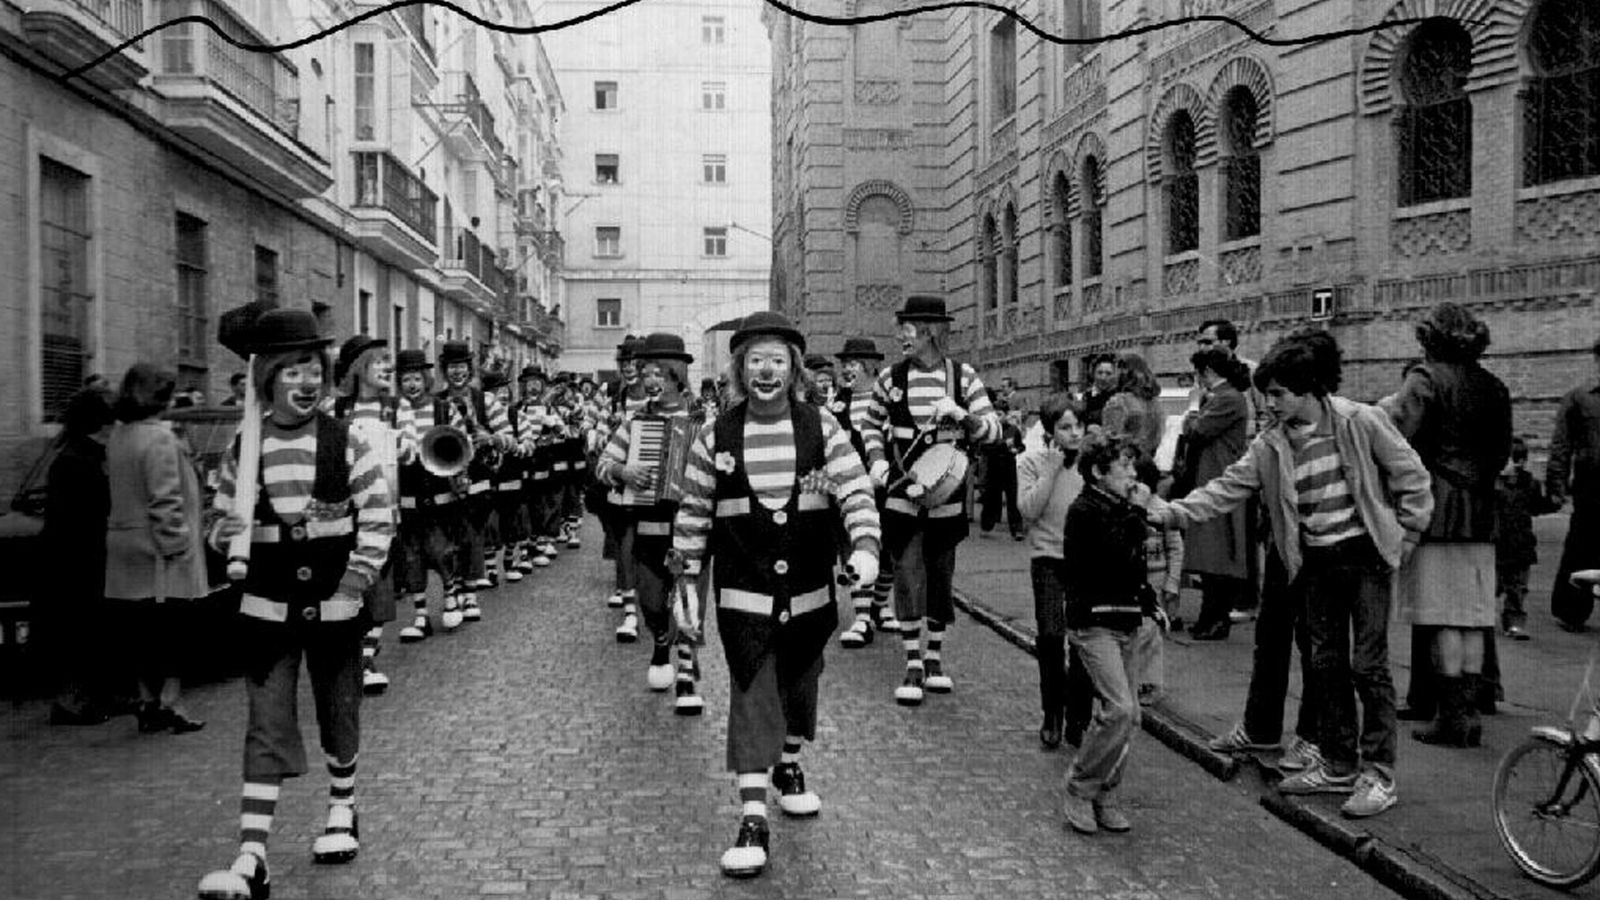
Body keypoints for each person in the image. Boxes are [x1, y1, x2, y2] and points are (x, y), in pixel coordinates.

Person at [1153, 328, 1432, 819]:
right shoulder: (1272, 445)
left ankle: (1380, 775)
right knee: (1326, 665)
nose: (1271, 404)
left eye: (1279, 394)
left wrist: (1405, 540)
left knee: (1369, 667)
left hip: (1365, 558)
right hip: (1315, 564)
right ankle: (1339, 763)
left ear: (1308, 389)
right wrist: (1172, 512)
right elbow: (1226, 488)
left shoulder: (1359, 422)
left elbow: (1413, 478)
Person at [668, 311, 881, 878]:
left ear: (792, 370)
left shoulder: (824, 427)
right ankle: (752, 816)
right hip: (744, 599)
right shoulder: (716, 435)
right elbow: (692, 514)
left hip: (811, 595)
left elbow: (856, 491)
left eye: (777, 361)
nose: (766, 371)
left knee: (798, 690)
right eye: (756, 360)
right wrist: (684, 583)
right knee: (754, 695)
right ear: (741, 368)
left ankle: (789, 766)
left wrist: (863, 547)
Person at [197, 307, 394, 900]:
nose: (306, 381)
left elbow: (378, 518)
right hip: (266, 608)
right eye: (291, 370)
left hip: (336, 605)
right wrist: (223, 528)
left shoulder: (348, 441)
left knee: (339, 707)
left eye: (313, 367)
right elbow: (214, 520)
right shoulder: (243, 447)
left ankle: (342, 808)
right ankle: (252, 855)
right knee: (266, 722)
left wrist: (356, 581)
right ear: (268, 379)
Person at [859, 294, 1000, 706]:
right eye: (903, 327)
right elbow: (870, 425)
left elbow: (992, 431)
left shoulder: (964, 377)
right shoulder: (890, 377)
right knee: (906, 571)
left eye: (910, 328)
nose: (902, 334)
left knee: (940, 574)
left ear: (932, 332)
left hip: (947, 495)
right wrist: (878, 462)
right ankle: (913, 661)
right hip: (902, 492)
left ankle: (936, 658)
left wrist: (963, 415)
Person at [1386, 302, 1512, 748]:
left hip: (1437, 508)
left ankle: (1451, 717)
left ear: (1429, 337)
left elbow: (1397, 433)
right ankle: (1468, 709)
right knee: (1472, 618)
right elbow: (1500, 452)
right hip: (1480, 511)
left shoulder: (1424, 379)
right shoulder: (1494, 386)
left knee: (1440, 617)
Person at [1059, 434, 1167, 835]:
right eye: (1125, 468)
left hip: (1126, 621)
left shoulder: (1122, 508)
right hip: (1093, 622)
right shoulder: (1085, 511)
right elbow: (1115, 553)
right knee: (1118, 708)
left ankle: (1107, 793)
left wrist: (1149, 599)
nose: (1133, 476)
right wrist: (1137, 514)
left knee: (1131, 716)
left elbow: (1133, 567)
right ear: (1099, 473)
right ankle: (1080, 786)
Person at [596, 333, 707, 713]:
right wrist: (623, 471)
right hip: (649, 525)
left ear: (677, 375)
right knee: (651, 600)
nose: (651, 380)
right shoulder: (636, 422)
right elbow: (603, 464)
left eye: (659, 372)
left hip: (691, 528)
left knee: (689, 601)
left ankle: (688, 675)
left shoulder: (704, 421)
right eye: (647, 373)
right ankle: (662, 640)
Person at [104, 363, 210, 735]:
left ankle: (147, 700)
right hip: (159, 553)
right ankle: (171, 704)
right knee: (172, 634)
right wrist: (179, 546)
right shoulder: (160, 438)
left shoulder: (120, 435)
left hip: (125, 548)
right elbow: (165, 500)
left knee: (140, 634)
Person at [43, 386, 124, 726]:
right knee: (77, 631)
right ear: (101, 422)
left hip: (91, 555)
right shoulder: (75, 460)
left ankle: (100, 695)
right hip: (77, 559)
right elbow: (82, 515)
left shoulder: (88, 454)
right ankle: (71, 702)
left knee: (96, 630)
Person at [333, 335, 405, 695]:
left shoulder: (395, 407)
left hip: (386, 510)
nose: (387, 368)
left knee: (380, 586)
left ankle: (365, 657)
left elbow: (408, 453)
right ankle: (354, 657)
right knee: (351, 584)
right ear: (360, 367)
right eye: (380, 361)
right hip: (345, 512)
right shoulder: (335, 409)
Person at [1016, 394, 1086, 748]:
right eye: (1065, 428)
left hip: (1084, 561)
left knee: (1083, 640)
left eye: (1078, 426)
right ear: (1050, 431)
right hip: (1048, 560)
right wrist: (1051, 469)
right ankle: (1052, 713)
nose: (1074, 434)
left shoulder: (1091, 463)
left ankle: (1078, 716)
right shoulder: (1031, 462)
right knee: (1050, 638)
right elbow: (1029, 510)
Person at [1177, 348, 1254, 641]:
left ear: (1207, 371)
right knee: (1211, 557)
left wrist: (1194, 409)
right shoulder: (1225, 397)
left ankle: (1216, 618)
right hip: (1213, 479)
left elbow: (1196, 431)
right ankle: (1208, 616)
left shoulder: (1228, 398)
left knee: (1218, 557)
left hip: (1221, 480)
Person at [435, 341, 515, 619]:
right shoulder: (437, 402)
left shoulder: (486, 400)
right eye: (452, 367)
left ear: (469, 369)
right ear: (445, 371)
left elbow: (510, 439)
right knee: (447, 541)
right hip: (445, 481)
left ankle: (469, 594)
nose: (457, 372)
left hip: (479, 481)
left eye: (462, 367)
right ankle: (451, 590)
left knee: (471, 538)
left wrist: (491, 438)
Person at [392, 349, 465, 643]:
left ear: (426, 379)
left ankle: (451, 595)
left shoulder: (444, 409)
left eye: (416, 378)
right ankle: (420, 615)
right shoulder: (395, 411)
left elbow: (460, 442)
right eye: (406, 379)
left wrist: (457, 474)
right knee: (412, 555)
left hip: (438, 490)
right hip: (408, 491)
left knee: (440, 548)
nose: (412, 384)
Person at [835, 336, 899, 647]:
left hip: (886, 488)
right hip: (850, 491)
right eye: (844, 365)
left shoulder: (888, 401)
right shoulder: (837, 405)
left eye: (852, 365)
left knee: (888, 551)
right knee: (857, 550)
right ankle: (861, 617)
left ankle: (881, 604)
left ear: (871, 368)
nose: (846, 370)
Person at [1546, 336, 1600, 631]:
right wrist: (1556, 486)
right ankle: (1571, 610)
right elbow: (1561, 446)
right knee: (1582, 546)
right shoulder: (1580, 398)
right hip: (1591, 486)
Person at [1496, 437, 1556, 640]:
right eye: (1513, 459)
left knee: (1518, 588)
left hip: (1521, 544)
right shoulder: (1493, 485)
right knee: (1492, 585)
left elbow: (1537, 507)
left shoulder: (1530, 483)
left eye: (1520, 460)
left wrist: (1554, 501)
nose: (1516, 465)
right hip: (1497, 543)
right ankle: (1482, 620)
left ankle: (1514, 623)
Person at [1100, 352, 1164, 468]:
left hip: (1124, 467)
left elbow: (1111, 440)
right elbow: (1158, 437)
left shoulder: (1120, 402)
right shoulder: (1156, 403)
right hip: (1149, 464)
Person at [979, 396, 1025, 540]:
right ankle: (987, 526)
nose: (998, 418)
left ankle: (1017, 529)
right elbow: (984, 448)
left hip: (1009, 468)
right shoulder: (990, 431)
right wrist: (1001, 446)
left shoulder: (1013, 430)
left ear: (1006, 415)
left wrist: (1017, 449)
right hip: (994, 467)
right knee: (991, 498)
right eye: (996, 414)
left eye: (1001, 414)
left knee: (1012, 499)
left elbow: (1021, 446)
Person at [1080, 355, 1118, 427]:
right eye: (1100, 373)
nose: (1103, 378)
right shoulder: (1084, 398)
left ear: (1115, 376)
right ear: (1093, 374)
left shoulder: (1120, 397)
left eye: (1108, 373)